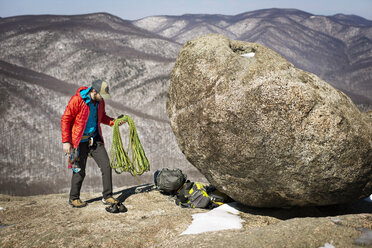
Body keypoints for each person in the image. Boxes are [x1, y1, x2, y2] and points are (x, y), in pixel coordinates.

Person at [61, 79, 124, 208]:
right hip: (77, 141)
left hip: (95, 139)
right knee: (79, 170)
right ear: (94, 91)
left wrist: (114, 122)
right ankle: (73, 198)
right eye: (102, 95)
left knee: (106, 166)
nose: (103, 98)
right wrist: (66, 141)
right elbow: (65, 119)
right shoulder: (77, 100)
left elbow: (103, 117)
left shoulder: (100, 102)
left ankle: (108, 196)